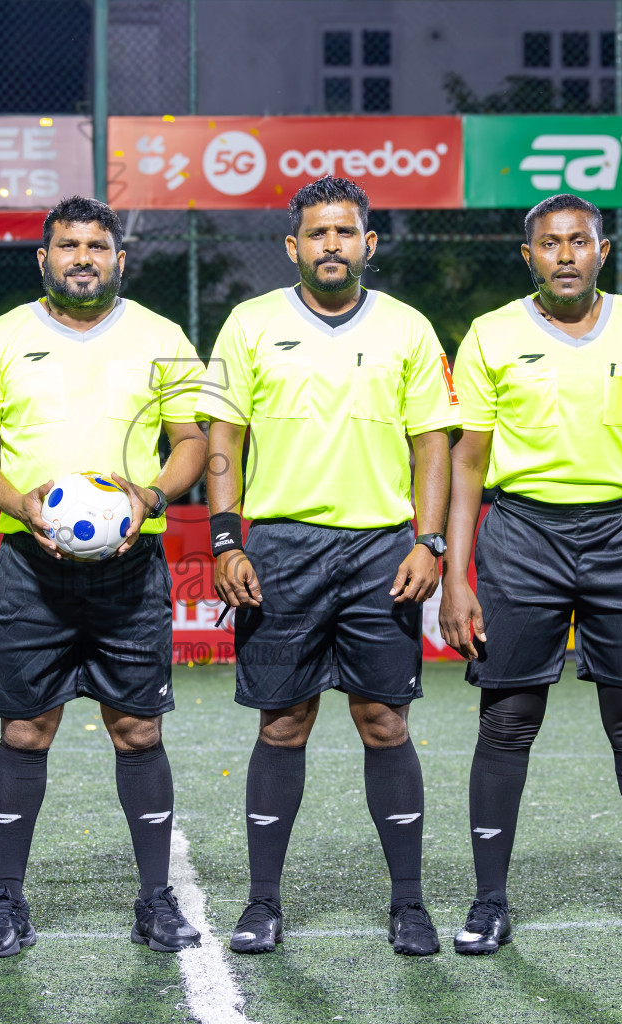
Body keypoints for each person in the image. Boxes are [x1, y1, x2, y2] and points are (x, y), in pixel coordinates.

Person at [440, 193, 622, 958]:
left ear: (603, 251)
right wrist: (457, 574)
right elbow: (467, 465)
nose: (565, 255)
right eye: (550, 244)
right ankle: (489, 901)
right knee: (508, 720)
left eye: (579, 242)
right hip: (521, 535)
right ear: (528, 256)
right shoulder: (490, 335)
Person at [200, 176, 455, 958]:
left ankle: (408, 905)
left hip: (382, 549)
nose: (332, 245)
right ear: (293, 246)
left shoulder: (409, 329)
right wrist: (224, 538)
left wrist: (431, 540)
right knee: (284, 723)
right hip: (279, 549)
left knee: (385, 721)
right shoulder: (249, 325)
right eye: (317, 233)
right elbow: (223, 438)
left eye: (346, 232)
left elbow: (432, 445)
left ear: (369, 243)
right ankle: (263, 903)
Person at [0, 196, 207, 957]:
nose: (83, 257)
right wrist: (21, 505)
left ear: (118, 258)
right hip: (31, 566)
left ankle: (155, 900)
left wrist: (153, 496)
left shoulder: (163, 337)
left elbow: (191, 439)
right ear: (44, 258)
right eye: (68, 245)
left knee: (138, 729)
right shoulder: (2, 339)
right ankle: (6, 901)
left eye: (97, 244)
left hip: (133, 569)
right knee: (25, 730)